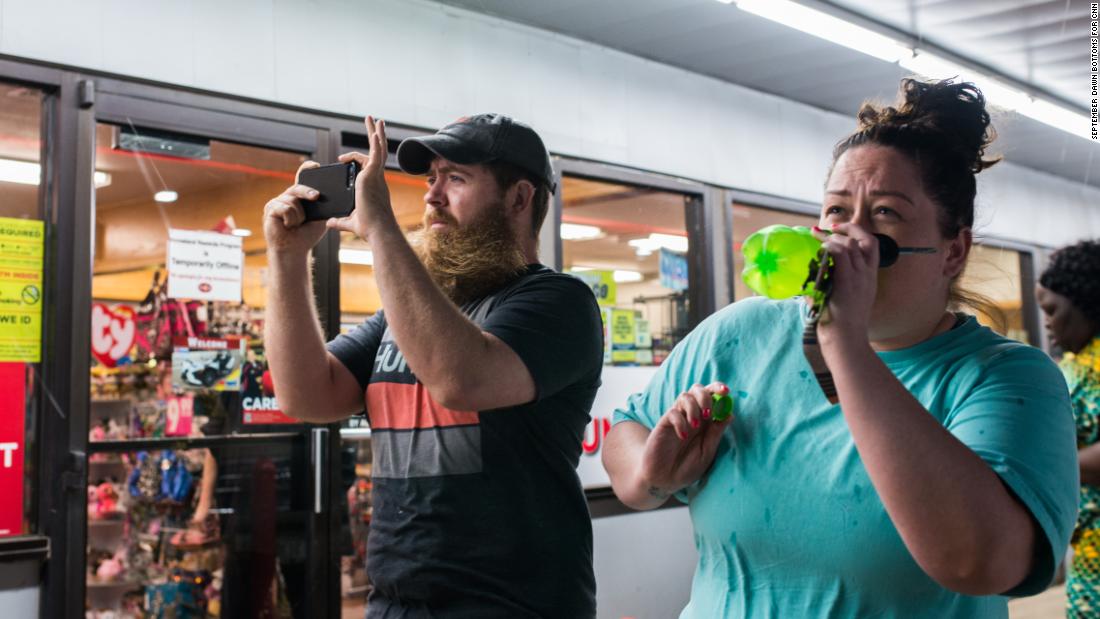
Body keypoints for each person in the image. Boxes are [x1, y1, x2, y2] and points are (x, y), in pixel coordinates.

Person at [602, 78, 1079, 618]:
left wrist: (844, 345)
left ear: (953, 250)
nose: (848, 239)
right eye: (835, 211)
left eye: (884, 215)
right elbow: (626, 431)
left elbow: (981, 563)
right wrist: (651, 476)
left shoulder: (1007, 377)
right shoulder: (740, 332)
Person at [263, 114, 602, 618]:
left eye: (456, 179)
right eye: (430, 178)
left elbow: (459, 379)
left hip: (513, 606)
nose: (432, 196)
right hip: (397, 603)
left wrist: (379, 229)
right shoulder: (406, 314)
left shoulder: (558, 302)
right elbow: (306, 395)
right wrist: (287, 259)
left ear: (519, 198)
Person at [1036, 239, 1100, 617]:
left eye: (1052, 309)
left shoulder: (1085, 370)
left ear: (1087, 303)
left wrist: (1049, 466)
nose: (1046, 322)